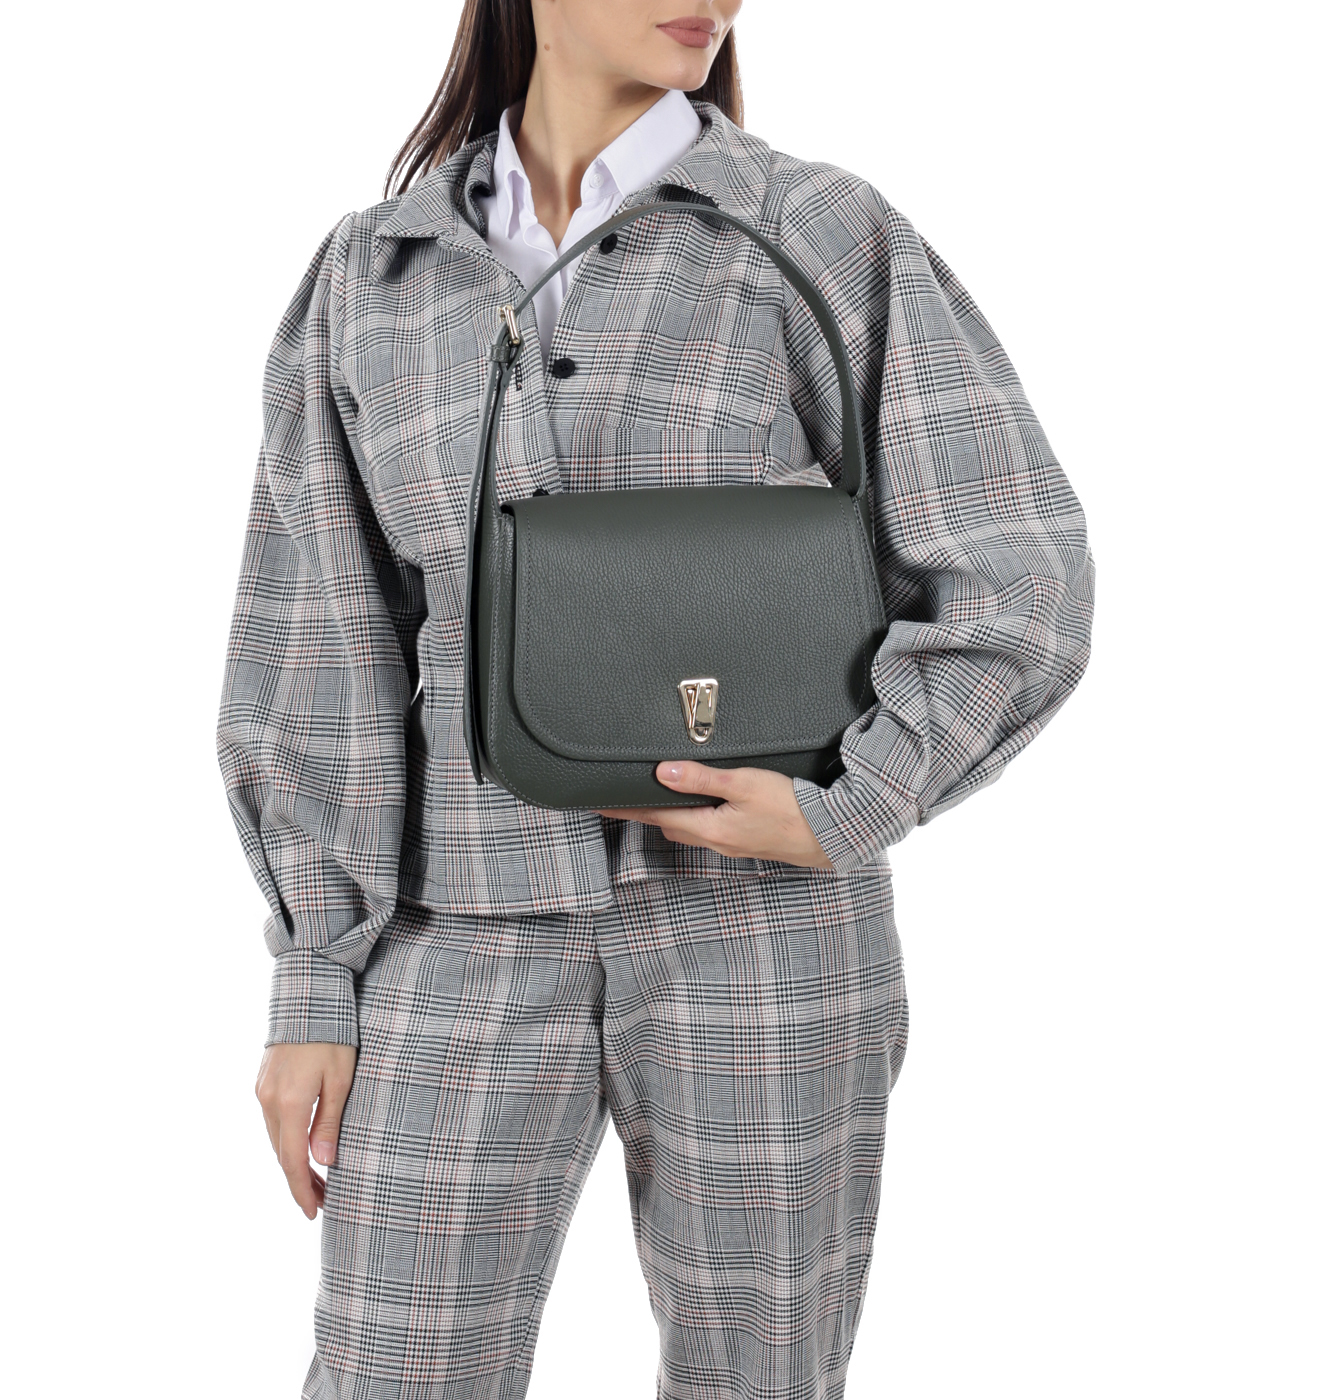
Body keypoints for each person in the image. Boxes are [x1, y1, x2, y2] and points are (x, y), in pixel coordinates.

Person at [216, 2, 1095, 1395]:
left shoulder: (820, 234)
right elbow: (314, 640)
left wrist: (854, 800)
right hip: (458, 928)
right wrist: (314, 980)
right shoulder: (375, 275)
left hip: (767, 934)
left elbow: (1016, 569)